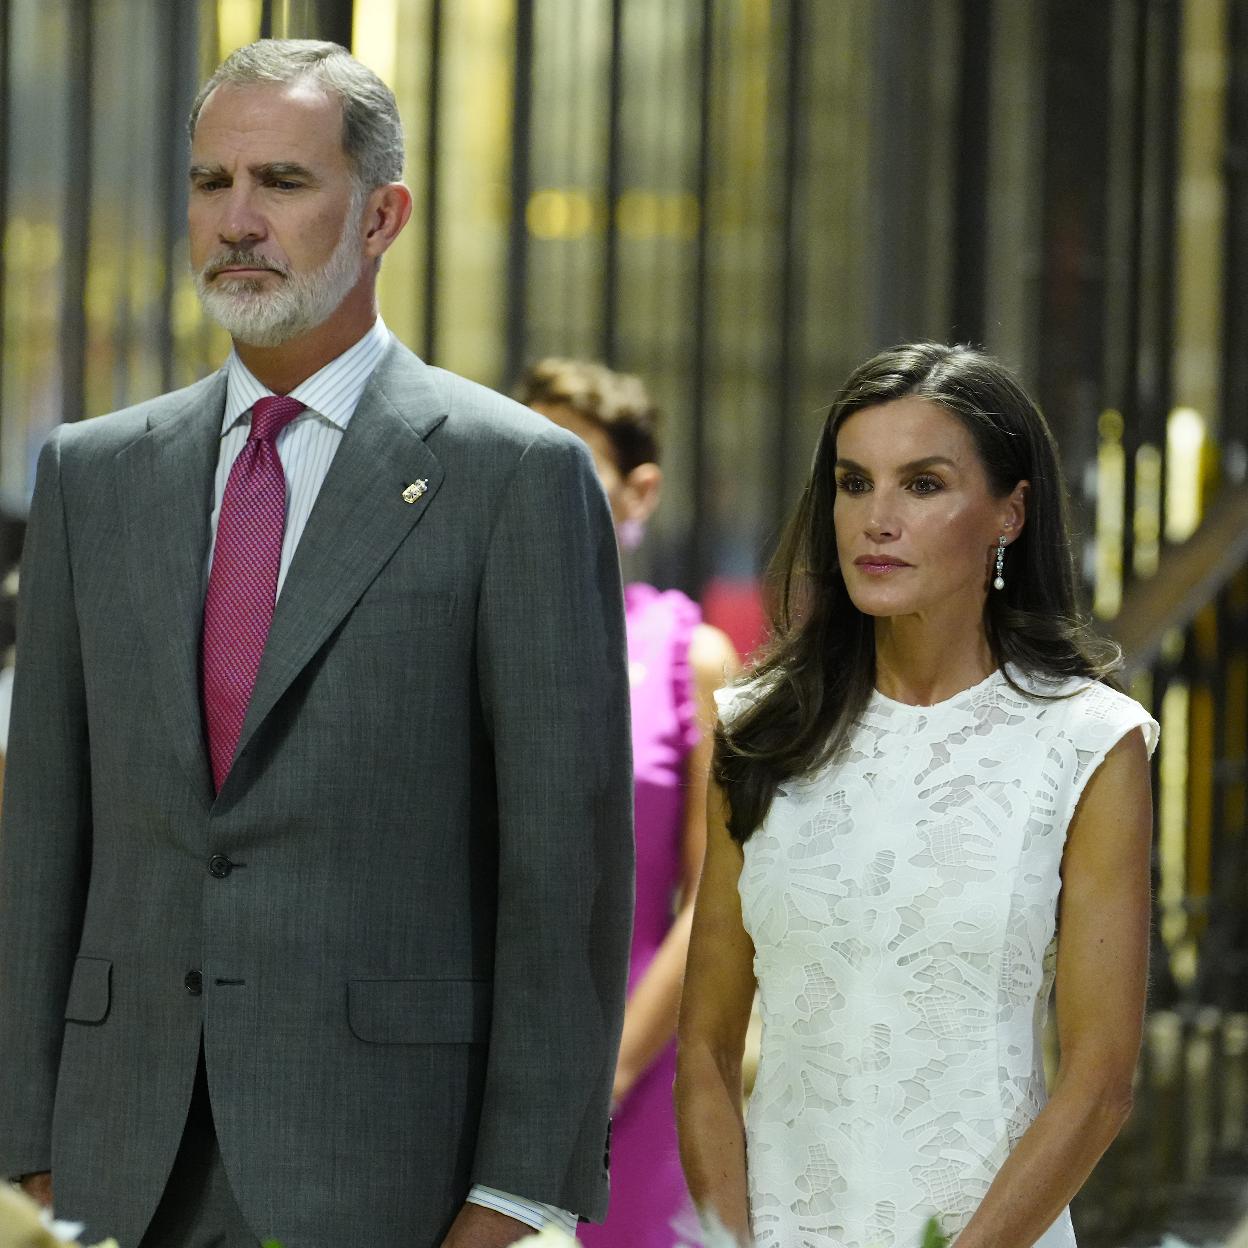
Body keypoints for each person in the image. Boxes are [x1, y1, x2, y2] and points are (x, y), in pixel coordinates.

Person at [0, 40, 633, 1248]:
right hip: (110, 1164)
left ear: (383, 215)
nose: (236, 220)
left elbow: (566, 868)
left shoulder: (514, 477)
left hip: (392, 1168)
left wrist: (518, 1192)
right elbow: (41, 838)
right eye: (211, 182)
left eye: (283, 182)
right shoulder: (92, 475)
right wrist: (22, 1143)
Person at [675, 343, 1157, 1248]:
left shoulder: (1089, 741)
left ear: (1010, 513)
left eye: (923, 485)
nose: (877, 520)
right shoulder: (760, 730)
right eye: (854, 484)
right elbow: (704, 1049)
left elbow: (1100, 1083)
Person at [517, 360, 740, 1248]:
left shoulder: (692, 655)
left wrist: (607, 1078)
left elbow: (714, 894)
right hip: (475, 1066)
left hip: (639, 1072)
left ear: (640, 492)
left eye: (571, 466)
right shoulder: (458, 643)